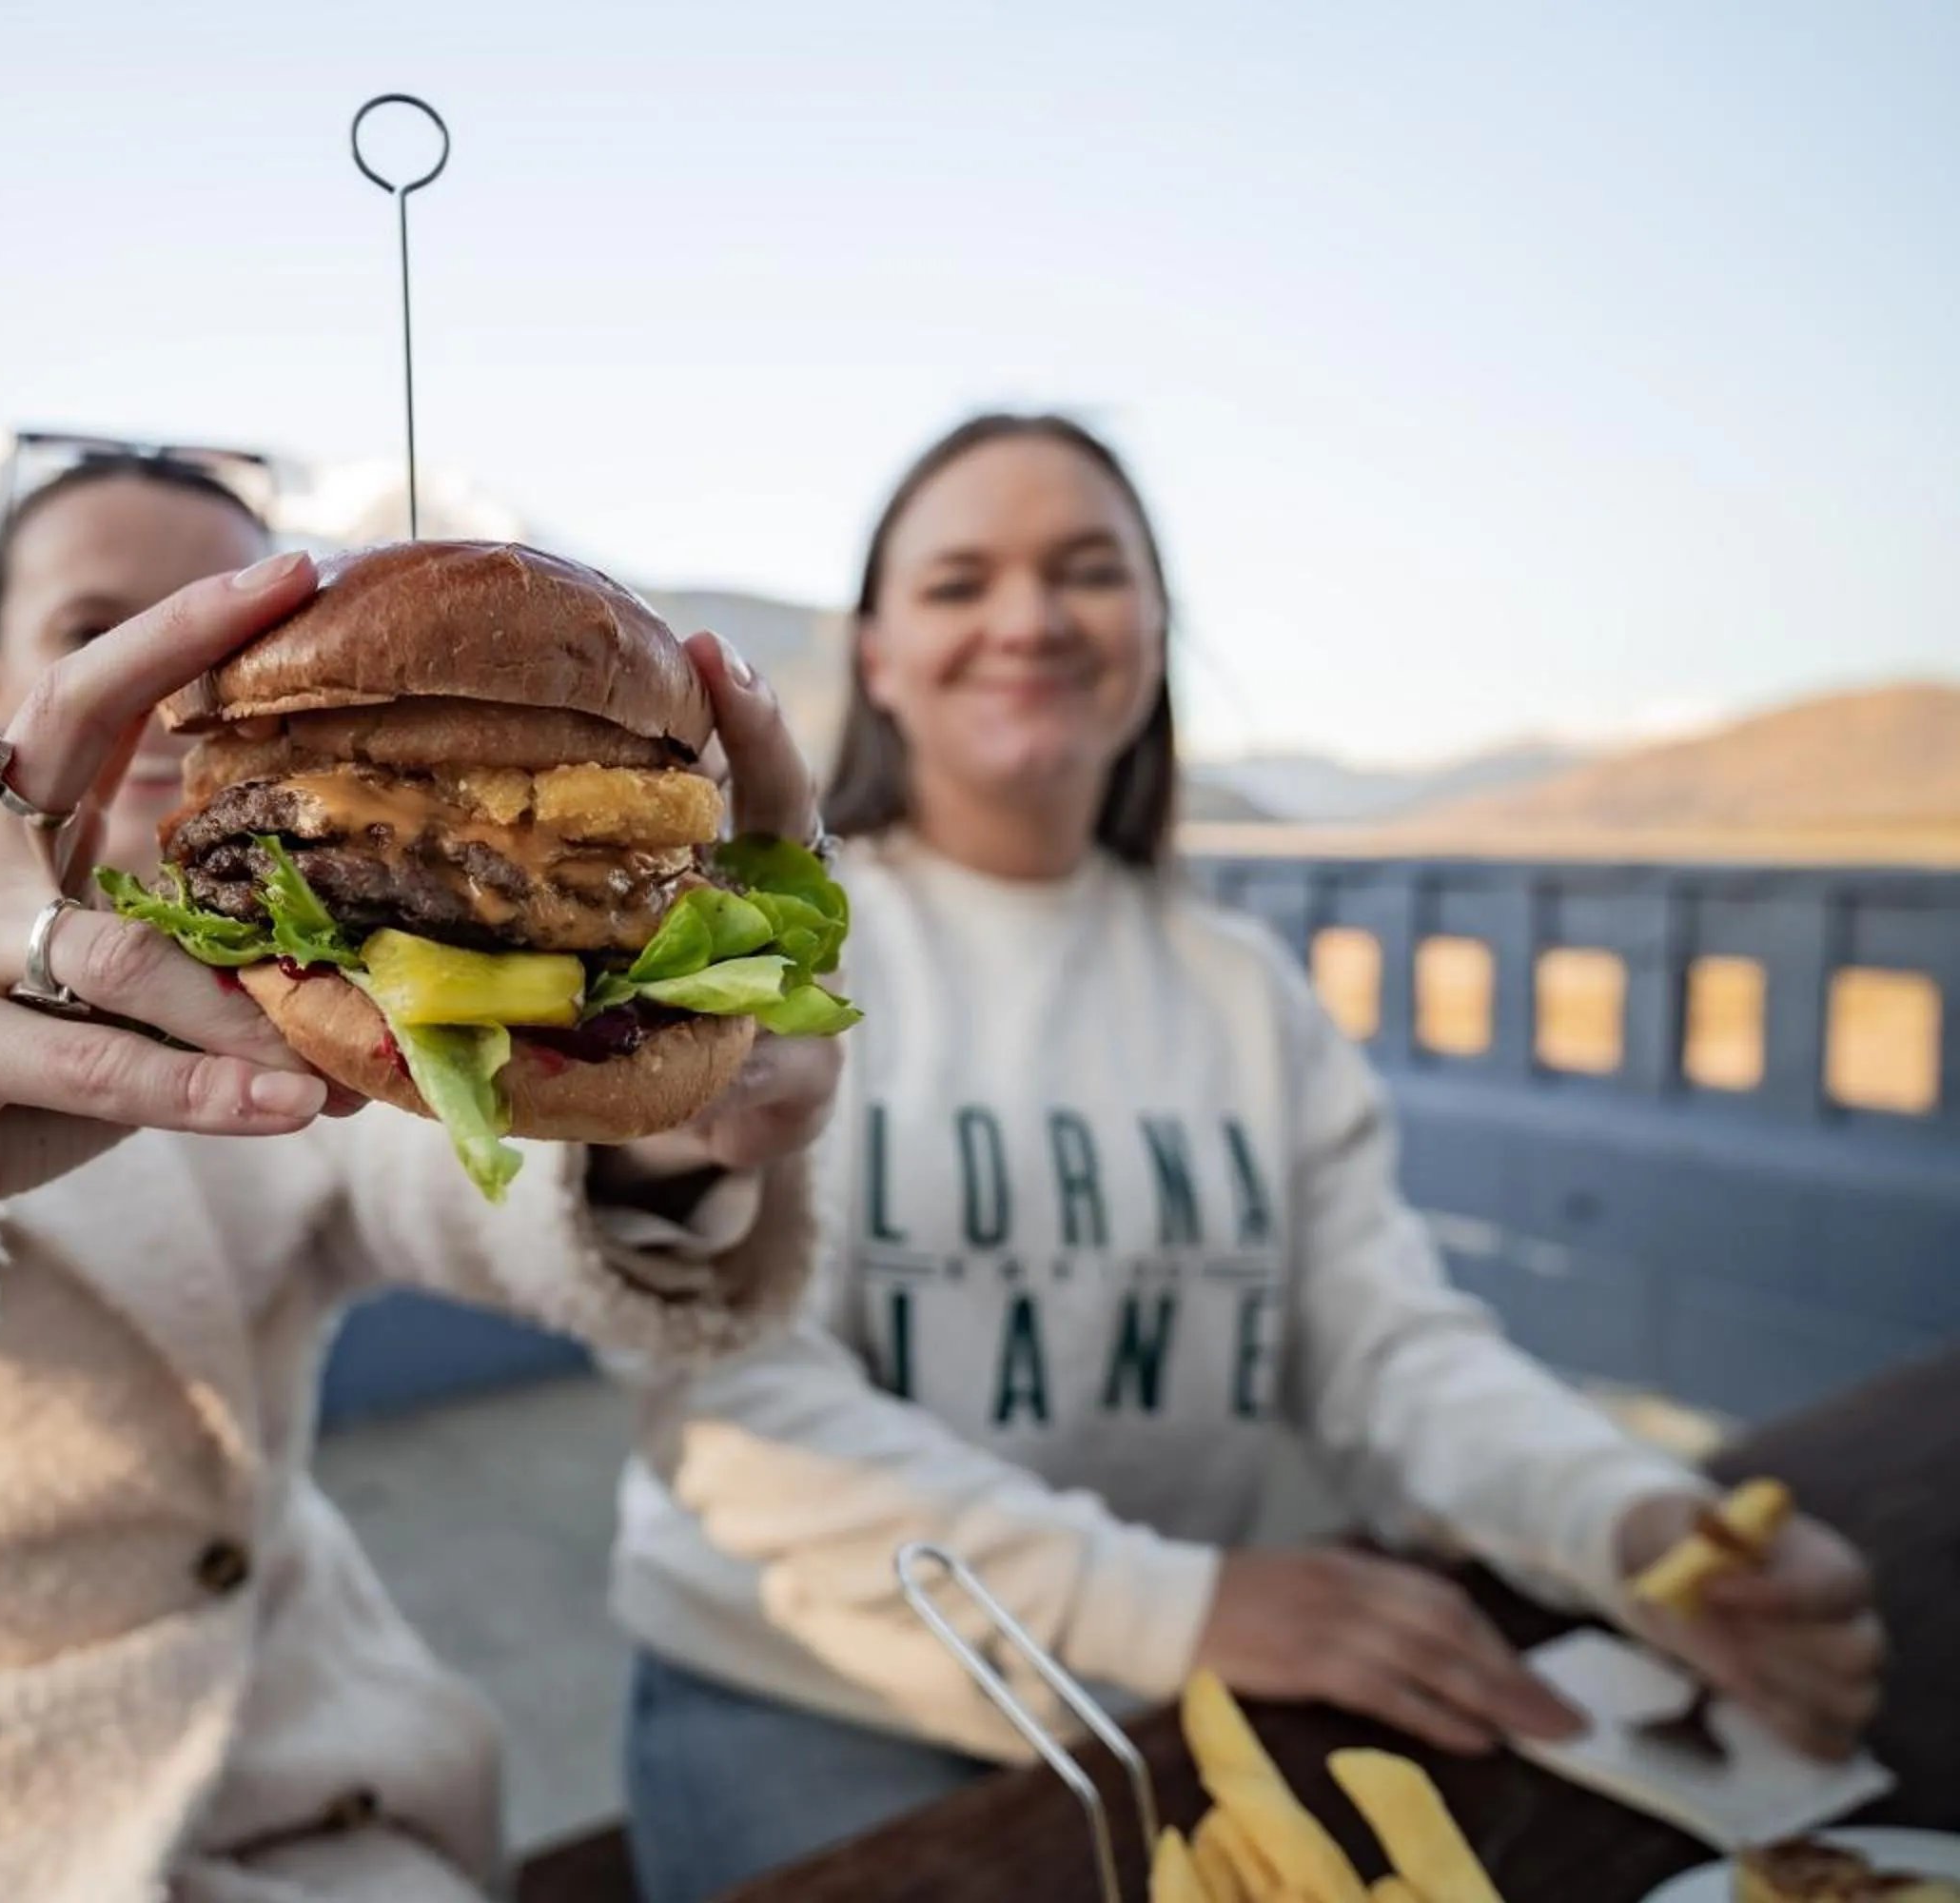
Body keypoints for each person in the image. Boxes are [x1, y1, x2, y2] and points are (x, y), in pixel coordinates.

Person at [0, 452, 844, 1903]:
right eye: (97, 633)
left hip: (247, 1758)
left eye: (221, 635)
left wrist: (680, 1114)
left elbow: (444, 1173)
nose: (161, 683)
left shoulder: (329, 975)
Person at [608, 414, 1886, 1901]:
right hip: (824, 1695)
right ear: (876, 656)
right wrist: (1177, 1602)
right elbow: (734, 1403)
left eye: (1087, 571)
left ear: (1153, 632)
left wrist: (1634, 1525)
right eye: (961, 584)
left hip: (1174, 1690)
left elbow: (1387, 1351)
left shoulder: (1245, 991)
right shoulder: (770, 956)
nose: (1027, 618)